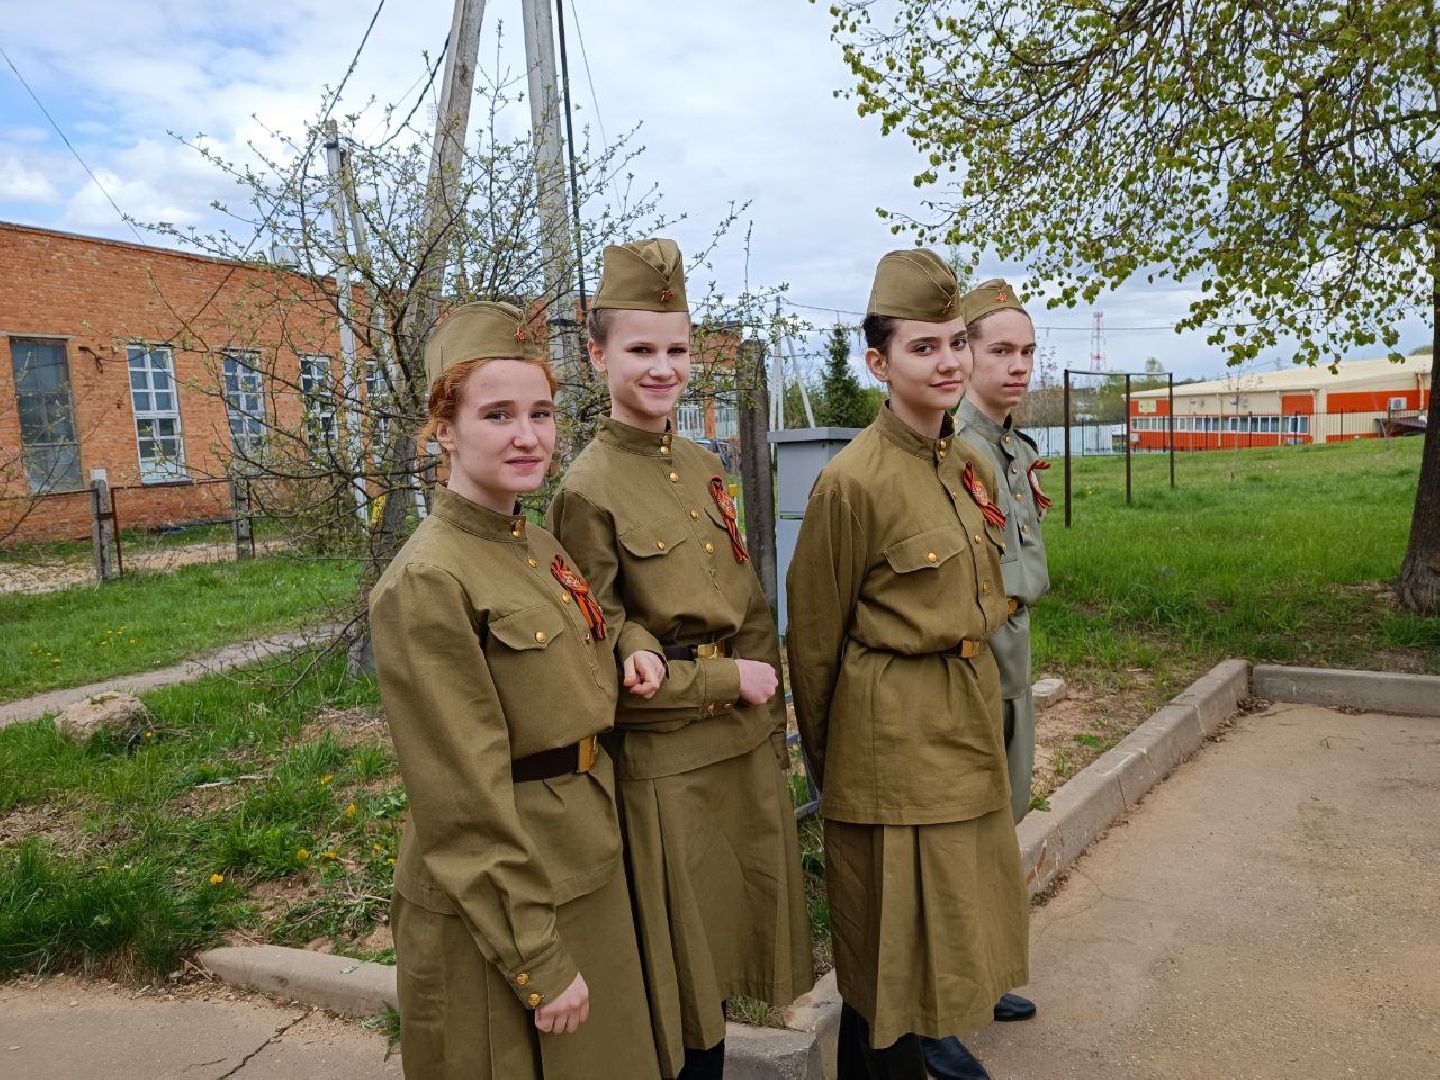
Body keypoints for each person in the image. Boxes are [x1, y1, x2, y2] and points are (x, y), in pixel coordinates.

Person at [369, 301, 660, 1079]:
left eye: (541, 412)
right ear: (444, 429)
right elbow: (463, 799)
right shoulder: (429, 579)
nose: (528, 435)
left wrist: (629, 649)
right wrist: (536, 959)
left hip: (580, 859)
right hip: (503, 900)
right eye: (497, 414)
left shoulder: (533, 542)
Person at [548, 238, 811, 1080]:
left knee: (729, 972)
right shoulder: (585, 489)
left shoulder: (701, 463)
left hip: (738, 745)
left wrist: (772, 720)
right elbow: (604, 672)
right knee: (683, 989)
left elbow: (749, 601)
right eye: (640, 350)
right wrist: (734, 681)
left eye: (677, 349)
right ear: (597, 357)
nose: (664, 368)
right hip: (668, 766)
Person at [786, 250, 1029, 1080]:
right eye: (923, 348)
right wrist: (834, 765)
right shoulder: (851, 483)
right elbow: (813, 642)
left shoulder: (963, 462)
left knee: (949, 930)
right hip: (889, 741)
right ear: (879, 362)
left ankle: (919, 1054)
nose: (949, 361)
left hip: (959, 718)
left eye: (956, 343)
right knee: (889, 945)